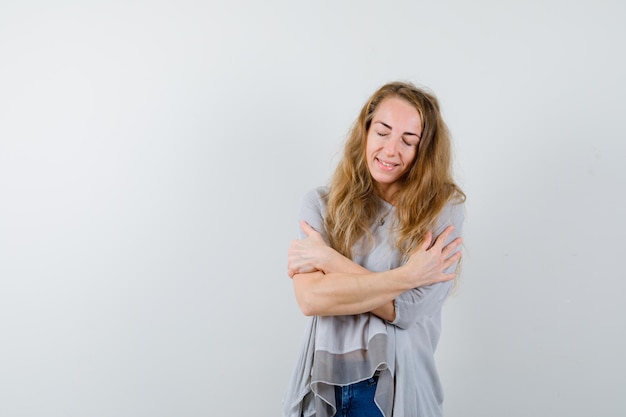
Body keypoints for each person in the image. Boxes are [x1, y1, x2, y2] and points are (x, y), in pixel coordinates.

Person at [283, 81, 466, 417]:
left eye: (408, 141)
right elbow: (311, 299)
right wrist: (408, 276)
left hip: (394, 386)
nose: (391, 150)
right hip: (325, 385)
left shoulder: (443, 209)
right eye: (382, 132)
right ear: (365, 131)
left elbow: (408, 312)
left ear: (423, 152)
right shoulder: (319, 205)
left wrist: (330, 261)